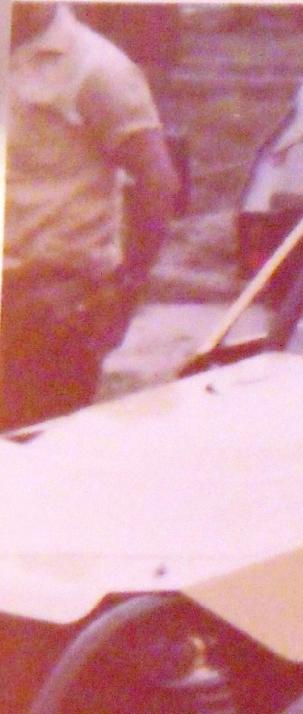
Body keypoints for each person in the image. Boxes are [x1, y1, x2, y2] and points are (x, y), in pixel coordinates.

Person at [3, 2, 180, 430]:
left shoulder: (97, 68)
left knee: (34, 454)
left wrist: (127, 288)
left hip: (47, 309)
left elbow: (156, 182)